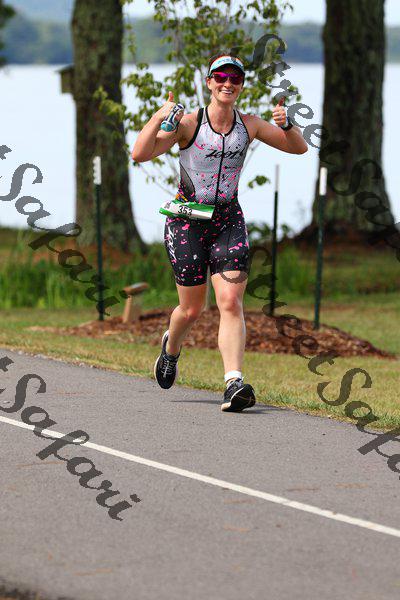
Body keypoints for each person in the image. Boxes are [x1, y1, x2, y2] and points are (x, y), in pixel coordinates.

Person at [132, 52, 308, 412]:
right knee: (191, 310)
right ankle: (171, 348)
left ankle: (233, 383)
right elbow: (140, 154)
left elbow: (298, 148)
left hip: (228, 221)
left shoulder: (250, 125)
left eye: (235, 79)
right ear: (210, 82)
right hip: (187, 222)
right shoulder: (188, 124)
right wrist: (158, 118)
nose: (228, 84)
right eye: (221, 77)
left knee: (230, 302)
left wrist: (289, 124)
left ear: (241, 85)